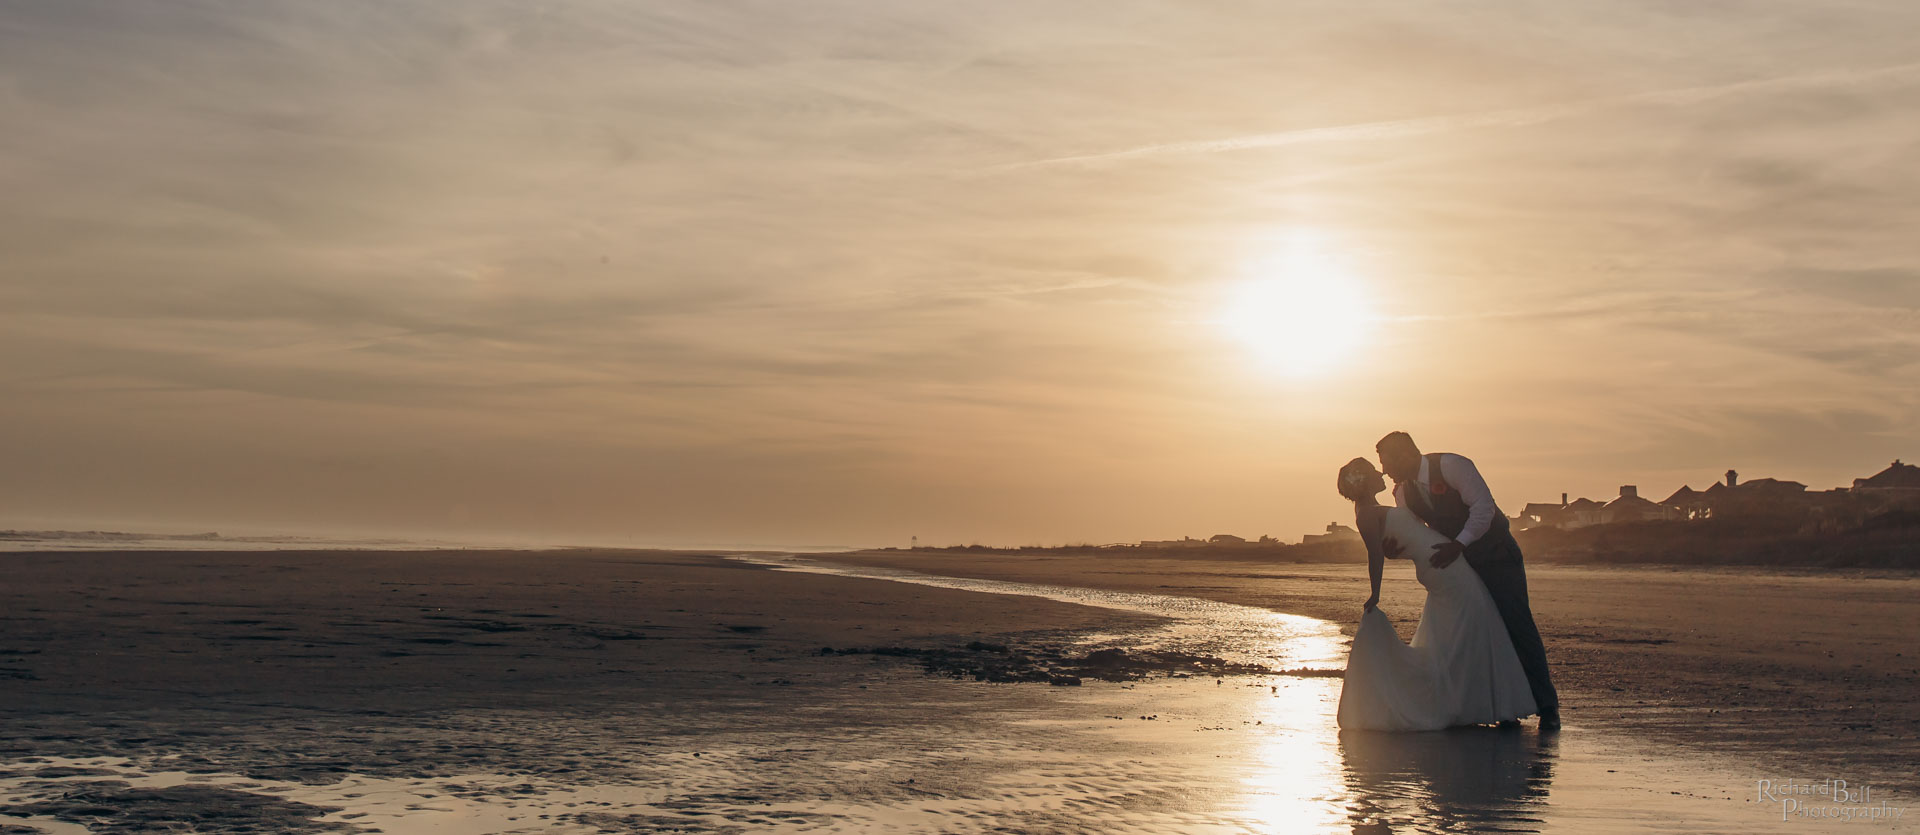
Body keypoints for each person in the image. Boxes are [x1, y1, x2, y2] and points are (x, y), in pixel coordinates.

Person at [1375, 431, 1562, 730]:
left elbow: (1483, 508)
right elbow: (1415, 533)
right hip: (1459, 567)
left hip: (1497, 555)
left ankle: (1547, 706)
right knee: (1477, 632)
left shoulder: (1453, 466)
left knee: (1516, 625)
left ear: (1405, 454)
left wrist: (1459, 544)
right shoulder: (1403, 493)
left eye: (1386, 462)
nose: (1384, 471)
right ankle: (1501, 707)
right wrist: (1395, 550)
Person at [1334, 457, 1536, 730]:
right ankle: (1480, 704)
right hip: (1444, 569)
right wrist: (1376, 592)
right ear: (1364, 481)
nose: (1382, 472)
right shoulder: (1367, 513)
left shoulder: (1383, 504)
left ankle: (1473, 702)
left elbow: (1401, 538)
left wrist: (1397, 549)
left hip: (1447, 564)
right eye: (1374, 471)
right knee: (1476, 624)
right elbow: (1376, 554)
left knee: (1464, 630)